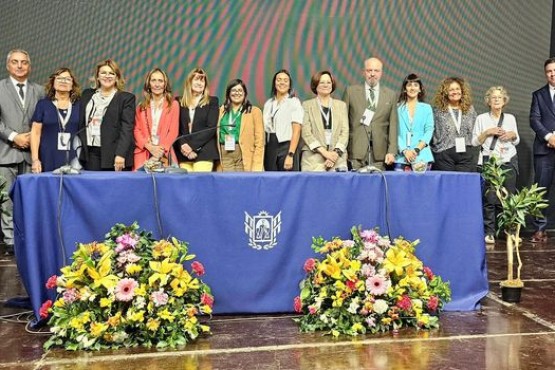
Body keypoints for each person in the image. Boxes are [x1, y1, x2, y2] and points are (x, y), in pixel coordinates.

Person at [0, 49, 44, 255]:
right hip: (5, 153)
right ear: (8, 65)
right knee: (7, 200)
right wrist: (14, 137)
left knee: (29, 198)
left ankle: (28, 238)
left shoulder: (40, 90)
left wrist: (29, 138)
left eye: (24, 62)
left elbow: (44, 120)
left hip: (32, 155)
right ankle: (10, 240)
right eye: (15, 62)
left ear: (29, 66)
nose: (20, 66)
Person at [473, 86, 519, 244]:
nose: (497, 100)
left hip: (508, 159)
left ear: (504, 100)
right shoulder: (481, 118)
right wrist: (487, 132)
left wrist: (512, 135)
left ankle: (510, 231)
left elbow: (517, 139)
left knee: (509, 198)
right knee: (490, 198)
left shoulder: (510, 118)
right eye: (494, 97)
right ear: (488, 101)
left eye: (500, 97)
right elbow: (474, 142)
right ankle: (490, 232)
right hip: (490, 162)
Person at [78, 59, 135, 171]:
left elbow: (127, 128)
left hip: (114, 155)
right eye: (103, 73)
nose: (107, 76)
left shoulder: (126, 98)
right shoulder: (87, 94)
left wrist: (120, 154)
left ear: (117, 77)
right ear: (97, 77)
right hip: (90, 153)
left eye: (111, 73)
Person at [342, 57, 398, 171]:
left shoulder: (390, 95)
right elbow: (343, 123)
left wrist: (392, 151)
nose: (372, 74)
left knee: (377, 188)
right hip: (355, 152)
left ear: (381, 73)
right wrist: (343, 150)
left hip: (380, 155)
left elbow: (393, 126)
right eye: (369, 70)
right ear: (364, 72)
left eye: (376, 71)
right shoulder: (350, 92)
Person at [30, 67, 81, 173]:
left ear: (72, 84)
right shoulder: (43, 104)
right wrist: (35, 160)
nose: (63, 81)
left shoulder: (80, 105)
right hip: (47, 158)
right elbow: (35, 133)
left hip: (74, 159)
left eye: (67, 79)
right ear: (53, 82)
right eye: (59, 78)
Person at [529, 57, 555, 243]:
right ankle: (540, 228)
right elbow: (534, 120)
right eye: (549, 71)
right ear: (545, 74)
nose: (552, 74)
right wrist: (550, 137)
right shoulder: (538, 95)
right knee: (541, 190)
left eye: (554, 70)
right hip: (544, 150)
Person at [300, 70, 348, 171]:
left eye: (328, 82)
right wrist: (325, 154)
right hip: (313, 158)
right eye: (322, 82)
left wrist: (334, 154)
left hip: (337, 159)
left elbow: (345, 132)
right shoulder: (307, 105)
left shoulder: (341, 105)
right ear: (315, 85)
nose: (325, 85)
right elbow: (306, 132)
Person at [133, 68, 179, 170]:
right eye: (153, 80)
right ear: (148, 84)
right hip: (143, 153)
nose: (157, 84)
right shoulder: (141, 107)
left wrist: (158, 153)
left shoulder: (173, 105)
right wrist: (149, 147)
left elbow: (173, 132)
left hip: (164, 155)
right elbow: (136, 130)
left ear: (165, 84)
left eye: (160, 81)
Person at [174, 68, 219, 172]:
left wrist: (191, 146)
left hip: (204, 152)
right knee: (185, 186)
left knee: (199, 185)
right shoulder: (178, 102)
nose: (199, 83)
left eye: (202, 80)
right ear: (189, 82)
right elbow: (177, 128)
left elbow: (211, 128)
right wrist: (184, 147)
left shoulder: (212, 101)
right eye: (196, 79)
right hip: (183, 153)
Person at [431, 77, 478, 171]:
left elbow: (475, 131)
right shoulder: (437, 111)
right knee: (447, 185)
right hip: (443, 155)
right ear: (445, 92)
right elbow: (431, 131)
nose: (455, 92)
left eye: (457, 89)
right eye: (451, 89)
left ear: (462, 91)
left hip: (465, 155)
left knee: (464, 184)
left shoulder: (470, 110)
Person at [217, 79, 264, 171]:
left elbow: (260, 141)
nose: (237, 93)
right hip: (225, 154)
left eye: (240, 90)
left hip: (245, 153)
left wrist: (257, 165)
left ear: (245, 93)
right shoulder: (221, 111)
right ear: (228, 93)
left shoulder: (254, 111)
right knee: (227, 183)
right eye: (233, 90)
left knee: (243, 183)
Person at [263, 69, 303, 171]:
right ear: (274, 83)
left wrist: (290, 154)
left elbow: (297, 131)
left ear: (289, 85)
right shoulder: (269, 104)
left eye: (285, 80)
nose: (282, 82)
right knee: (271, 182)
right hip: (270, 147)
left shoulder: (294, 102)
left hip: (287, 147)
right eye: (279, 80)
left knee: (289, 183)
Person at [394, 73, 434, 171]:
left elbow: (429, 130)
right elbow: (394, 132)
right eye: (409, 85)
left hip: (422, 156)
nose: (412, 88)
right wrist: (405, 150)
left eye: (416, 85)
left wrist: (416, 149)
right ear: (404, 88)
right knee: (400, 186)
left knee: (423, 186)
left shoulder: (427, 108)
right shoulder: (397, 108)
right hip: (401, 157)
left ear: (420, 89)